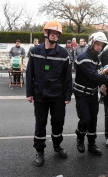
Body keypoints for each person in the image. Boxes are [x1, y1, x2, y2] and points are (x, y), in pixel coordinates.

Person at [26, 20, 72, 166]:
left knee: (58, 122)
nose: (55, 35)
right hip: (40, 95)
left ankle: (57, 145)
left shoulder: (63, 53)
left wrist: (67, 95)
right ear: (46, 33)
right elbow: (29, 73)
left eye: (57, 33)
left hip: (58, 95)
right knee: (40, 123)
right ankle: (39, 151)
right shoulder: (34, 51)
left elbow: (67, 77)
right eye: (52, 32)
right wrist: (29, 92)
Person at [74, 31, 108, 156]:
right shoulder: (83, 58)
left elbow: (100, 73)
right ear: (92, 42)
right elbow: (94, 76)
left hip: (93, 94)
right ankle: (79, 137)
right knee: (85, 119)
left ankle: (91, 144)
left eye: (102, 45)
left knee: (93, 119)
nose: (99, 47)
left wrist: (102, 85)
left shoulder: (97, 59)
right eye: (98, 44)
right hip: (82, 94)